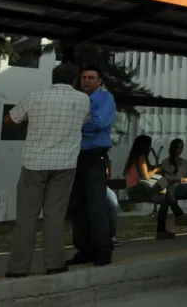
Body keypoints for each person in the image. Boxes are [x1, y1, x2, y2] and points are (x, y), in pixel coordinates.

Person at [4, 63, 90, 278]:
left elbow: (10, 119)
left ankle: (18, 268)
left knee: (27, 216)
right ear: (74, 80)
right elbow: (83, 122)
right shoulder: (83, 100)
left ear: (53, 79)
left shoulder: (35, 96)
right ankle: (55, 264)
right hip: (65, 165)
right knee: (55, 216)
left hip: (34, 163)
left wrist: (29, 124)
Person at [66, 65, 116, 267]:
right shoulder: (75, 99)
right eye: (84, 77)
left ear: (99, 81)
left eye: (91, 77)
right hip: (73, 157)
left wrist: (76, 120)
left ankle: (103, 250)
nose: (86, 80)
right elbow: (76, 122)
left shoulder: (105, 98)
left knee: (97, 206)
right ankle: (85, 250)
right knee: (77, 207)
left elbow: (99, 122)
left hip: (95, 158)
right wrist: (85, 119)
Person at [123, 135, 187, 240]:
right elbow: (146, 176)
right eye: (149, 144)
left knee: (166, 199)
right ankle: (175, 218)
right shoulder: (141, 157)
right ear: (144, 146)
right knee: (166, 198)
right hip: (138, 190)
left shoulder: (135, 157)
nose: (150, 147)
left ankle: (167, 226)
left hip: (138, 189)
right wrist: (156, 169)